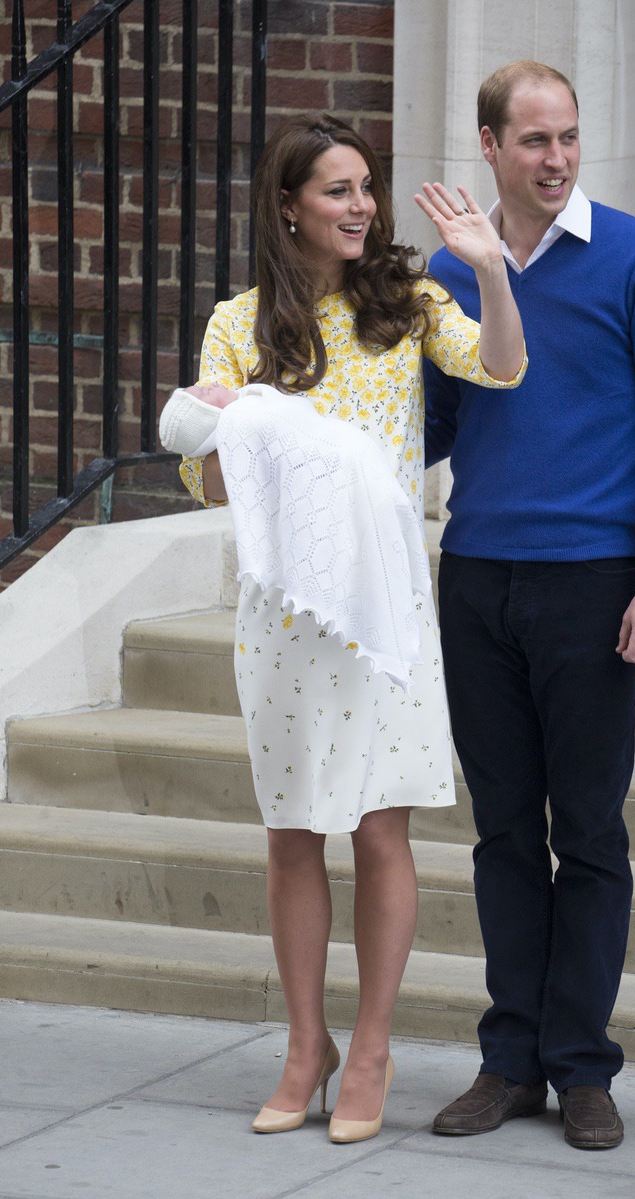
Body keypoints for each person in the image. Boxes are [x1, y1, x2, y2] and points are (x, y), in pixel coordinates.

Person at [172, 114, 526, 1144]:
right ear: (289, 206)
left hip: (385, 607)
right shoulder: (238, 323)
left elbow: (501, 367)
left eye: (366, 187)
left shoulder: (408, 304)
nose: (363, 205)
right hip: (284, 613)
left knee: (380, 826)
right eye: (338, 190)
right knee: (292, 830)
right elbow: (209, 479)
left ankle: (371, 1047)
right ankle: (303, 1044)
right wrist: (220, 419)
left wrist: (491, 270)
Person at [424, 61, 635, 1149]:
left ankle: (583, 1064)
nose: (555, 160)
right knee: (503, 829)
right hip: (480, 575)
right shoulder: (458, 273)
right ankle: (511, 1060)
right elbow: (433, 424)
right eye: (533, 141)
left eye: (569, 139)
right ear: (491, 147)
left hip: (596, 581)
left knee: (586, 831)